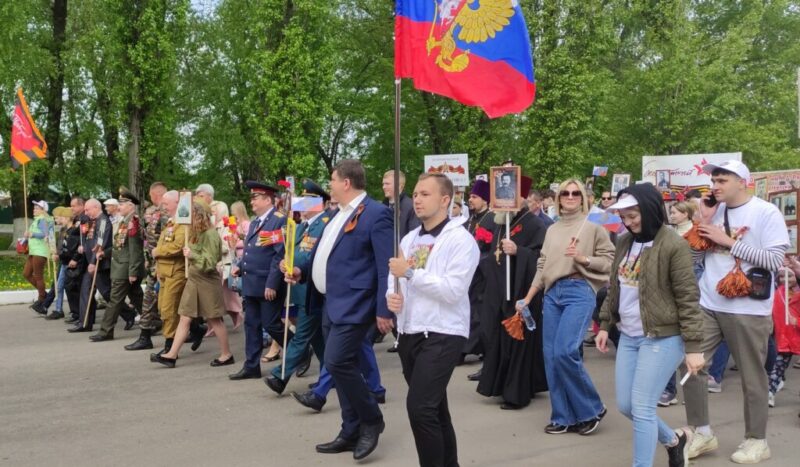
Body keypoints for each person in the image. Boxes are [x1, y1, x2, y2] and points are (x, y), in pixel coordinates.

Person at [681, 160, 789, 464]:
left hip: (748, 309)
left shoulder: (765, 212)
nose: (715, 186)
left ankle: (757, 440)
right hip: (709, 303)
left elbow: (775, 260)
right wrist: (705, 220)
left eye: (722, 180)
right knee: (690, 365)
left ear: (743, 181)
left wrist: (730, 243)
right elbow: (694, 253)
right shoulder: (715, 211)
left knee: (753, 378)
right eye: (713, 180)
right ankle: (701, 431)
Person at [285, 159, 393, 460]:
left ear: (346, 182)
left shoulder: (376, 214)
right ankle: (350, 429)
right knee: (342, 365)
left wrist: (385, 309)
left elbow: (386, 266)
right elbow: (327, 257)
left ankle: (372, 419)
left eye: (332, 179)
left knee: (336, 361)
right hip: (329, 303)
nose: (329, 184)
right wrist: (300, 272)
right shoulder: (336, 215)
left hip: (356, 305)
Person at [595, 184, 705, 467]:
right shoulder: (624, 242)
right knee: (626, 406)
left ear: (649, 209)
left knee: (642, 408)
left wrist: (693, 347)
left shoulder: (673, 244)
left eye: (634, 215)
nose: (628, 222)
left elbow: (688, 298)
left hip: (663, 337)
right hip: (629, 336)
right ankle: (674, 440)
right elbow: (614, 288)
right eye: (624, 216)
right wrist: (605, 324)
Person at [386, 172, 479, 467]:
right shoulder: (410, 238)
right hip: (410, 331)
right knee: (436, 409)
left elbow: (453, 290)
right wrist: (393, 296)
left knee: (420, 408)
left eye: (425, 194)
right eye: (415, 193)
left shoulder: (461, 241)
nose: (417, 199)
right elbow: (394, 277)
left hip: (443, 332)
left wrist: (411, 273)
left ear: (445, 199)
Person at [518, 178, 615, 433]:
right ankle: (563, 417)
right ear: (559, 198)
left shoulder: (594, 225)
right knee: (551, 358)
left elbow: (609, 261)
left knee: (564, 351)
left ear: (582, 197)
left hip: (579, 290)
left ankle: (592, 408)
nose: (570, 196)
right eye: (565, 193)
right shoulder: (552, 229)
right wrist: (527, 298)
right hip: (552, 294)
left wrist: (582, 258)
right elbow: (542, 265)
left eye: (575, 193)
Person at [478, 175, 549, 410]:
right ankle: (500, 385)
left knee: (517, 341)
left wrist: (520, 251)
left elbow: (541, 258)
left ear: (521, 198)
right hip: (499, 289)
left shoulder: (535, 224)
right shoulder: (502, 222)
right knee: (497, 338)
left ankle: (516, 393)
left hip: (521, 291)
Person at [265, 179, 330, 394]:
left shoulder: (325, 223)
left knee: (302, 334)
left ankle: (280, 375)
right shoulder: (302, 226)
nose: (300, 207)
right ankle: (328, 375)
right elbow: (293, 251)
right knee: (316, 337)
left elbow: (314, 256)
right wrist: (286, 262)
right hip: (300, 288)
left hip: (314, 288)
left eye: (304, 202)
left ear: (316, 204)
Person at [152, 201, 234, 368]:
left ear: (199, 215)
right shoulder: (195, 233)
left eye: (191, 215)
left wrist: (193, 254)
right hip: (194, 280)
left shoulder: (210, 234)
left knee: (214, 318)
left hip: (207, 280)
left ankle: (226, 354)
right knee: (184, 317)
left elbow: (210, 262)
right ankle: (171, 355)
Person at [228, 181, 292, 380]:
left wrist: (272, 283)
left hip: (267, 284)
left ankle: (298, 349)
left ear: (267, 199)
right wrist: (241, 266)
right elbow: (252, 249)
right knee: (252, 325)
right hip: (251, 282)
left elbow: (278, 254)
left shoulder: (279, 220)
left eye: (255, 198)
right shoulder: (256, 221)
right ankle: (251, 366)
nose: (252, 201)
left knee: (271, 324)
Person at [91, 187, 144, 342]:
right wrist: (105, 253)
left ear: (130, 206)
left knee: (115, 300)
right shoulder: (124, 221)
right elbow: (119, 246)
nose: (118, 206)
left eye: (122, 203)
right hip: (122, 266)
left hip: (126, 268)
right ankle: (154, 321)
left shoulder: (132, 222)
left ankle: (105, 331)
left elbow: (135, 250)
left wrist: (133, 271)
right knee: (137, 298)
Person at [125, 182, 167, 351]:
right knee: (149, 299)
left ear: (154, 194)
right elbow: (147, 236)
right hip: (153, 264)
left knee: (169, 302)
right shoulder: (152, 212)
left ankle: (194, 328)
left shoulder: (167, 213)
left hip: (163, 264)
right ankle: (145, 336)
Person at [463, 180, 497, 370]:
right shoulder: (469, 219)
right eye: (470, 196)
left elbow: (492, 248)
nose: (470, 200)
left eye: (474, 197)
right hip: (469, 273)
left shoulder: (492, 218)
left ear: (484, 199)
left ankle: (474, 350)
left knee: (480, 313)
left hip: (483, 273)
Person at [149, 190, 188, 355]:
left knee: (169, 310)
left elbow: (178, 246)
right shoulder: (171, 222)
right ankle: (195, 328)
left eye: (166, 203)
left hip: (175, 271)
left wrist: (157, 252)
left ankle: (170, 346)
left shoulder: (183, 222)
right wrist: (157, 268)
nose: (163, 207)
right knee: (162, 308)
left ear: (176, 203)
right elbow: (162, 241)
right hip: (164, 271)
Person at [69, 199, 113, 333]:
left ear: (96, 207)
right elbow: (88, 238)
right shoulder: (92, 221)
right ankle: (85, 323)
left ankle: (128, 314)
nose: (86, 212)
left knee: (107, 293)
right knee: (85, 291)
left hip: (99, 263)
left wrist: (93, 262)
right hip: (91, 262)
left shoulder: (103, 221)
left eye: (88, 210)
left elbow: (100, 244)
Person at [768, 265, 800, 407]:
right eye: (781, 276)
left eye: (789, 276)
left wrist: (797, 321)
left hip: (796, 336)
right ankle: (770, 393)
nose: (785, 279)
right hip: (785, 338)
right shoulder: (777, 294)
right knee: (778, 367)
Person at [211, 200, 243, 331]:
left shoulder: (227, 224)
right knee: (222, 295)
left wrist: (213, 247)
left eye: (214, 211)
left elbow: (229, 246)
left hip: (225, 263)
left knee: (227, 294)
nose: (211, 213)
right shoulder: (212, 225)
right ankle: (216, 322)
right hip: (217, 263)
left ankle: (236, 314)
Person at [42, 207, 73, 320]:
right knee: (59, 286)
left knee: (60, 286)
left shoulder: (69, 230)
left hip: (67, 261)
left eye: (57, 217)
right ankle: (58, 309)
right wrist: (53, 248)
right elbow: (59, 246)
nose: (55, 220)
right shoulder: (62, 230)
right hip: (63, 260)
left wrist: (58, 255)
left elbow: (67, 248)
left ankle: (60, 309)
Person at [24, 200, 52, 315]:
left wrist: (32, 234)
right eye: (34, 208)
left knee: (38, 276)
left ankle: (41, 298)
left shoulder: (43, 220)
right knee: (26, 274)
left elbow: (45, 234)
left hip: (40, 252)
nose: (34, 210)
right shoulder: (37, 220)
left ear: (43, 210)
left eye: (37, 208)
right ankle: (44, 294)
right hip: (34, 251)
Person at [64, 196, 87, 325]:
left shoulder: (84, 219)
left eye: (73, 206)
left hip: (80, 259)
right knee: (71, 286)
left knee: (78, 287)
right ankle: (77, 313)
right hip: (72, 258)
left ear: (81, 206)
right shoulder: (77, 220)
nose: (71, 208)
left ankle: (82, 315)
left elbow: (82, 241)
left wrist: (75, 258)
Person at [382, 170, 420, 239]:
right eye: (383, 184)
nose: (384, 187)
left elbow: (414, 236)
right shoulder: (382, 206)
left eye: (387, 184)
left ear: (400, 186)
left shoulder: (411, 207)